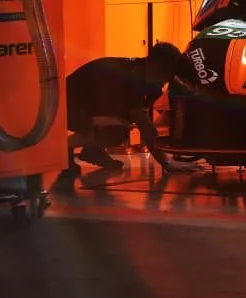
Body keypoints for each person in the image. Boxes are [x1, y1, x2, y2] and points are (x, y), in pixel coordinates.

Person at [54, 41, 181, 192]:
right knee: (119, 126)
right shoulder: (136, 79)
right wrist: (167, 163)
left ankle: (94, 151)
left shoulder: (143, 73)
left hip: (84, 103)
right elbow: (146, 128)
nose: (168, 80)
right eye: (168, 73)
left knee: (120, 127)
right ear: (158, 67)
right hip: (66, 105)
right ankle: (65, 147)